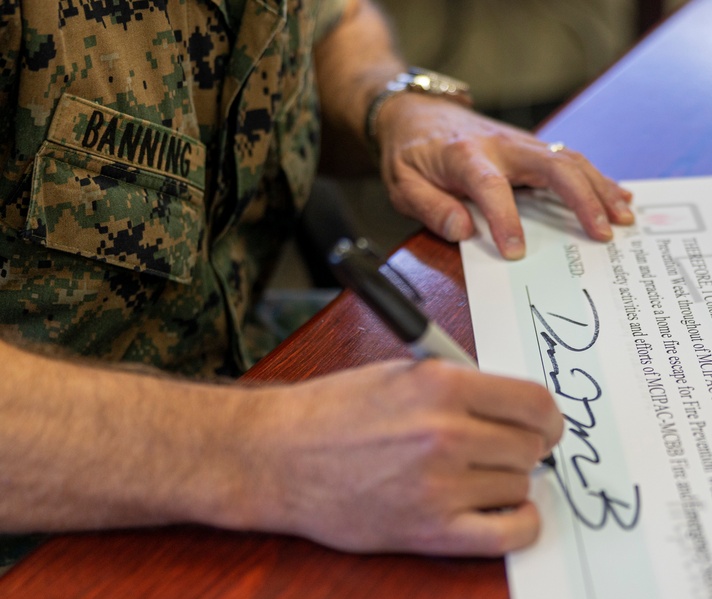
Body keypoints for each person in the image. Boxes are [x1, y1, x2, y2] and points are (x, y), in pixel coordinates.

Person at [0, 0, 633, 557]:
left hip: (248, 373)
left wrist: (394, 102)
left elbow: (329, 21)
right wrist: (259, 451)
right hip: (57, 522)